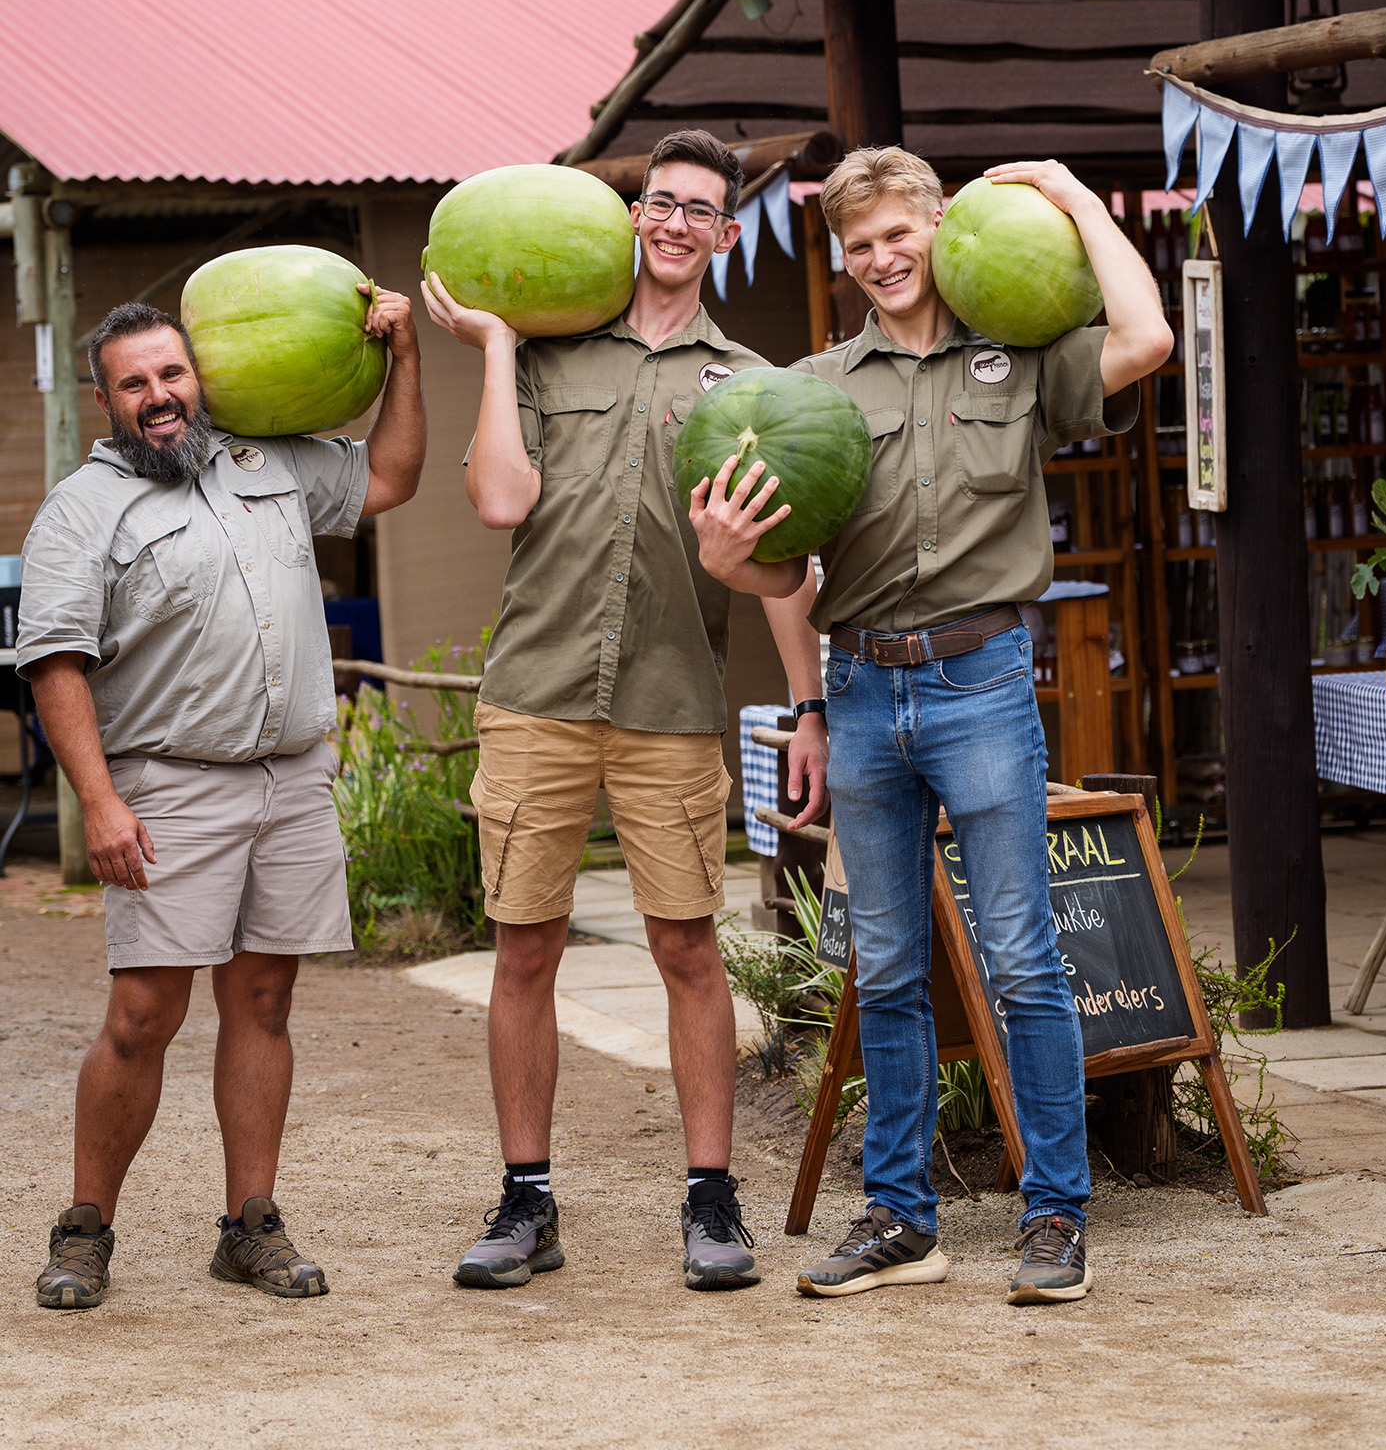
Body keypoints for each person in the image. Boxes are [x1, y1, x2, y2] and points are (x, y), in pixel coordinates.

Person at [693, 148, 1172, 1307]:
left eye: (900, 232)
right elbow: (783, 565)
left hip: (983, 681)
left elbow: (1148, 335)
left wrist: (1065, 193)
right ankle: (903, 1217)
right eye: (860, 244)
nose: (883, 258)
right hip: (859, 688)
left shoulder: (1022, 355)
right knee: (889, 963)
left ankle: (1054, 1213)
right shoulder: (814, 388)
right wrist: (728, 558)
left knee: (1023, 959)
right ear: (844, 258)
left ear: (940, 228)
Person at [422, 131, 819, 1293]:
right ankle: (525, 1199)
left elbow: (788, 569)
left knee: (688, 948)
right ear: (633, 214)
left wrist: (810, 707)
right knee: (525, 948)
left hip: (672, 701)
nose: (676, 222)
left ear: (729, 234)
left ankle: (711, 1201)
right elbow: (499, 496)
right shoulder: (546, 359)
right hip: (536, 694)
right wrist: (496, 345)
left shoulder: (748, 383)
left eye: (701, 208)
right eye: (659, 201)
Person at [21, 285, 425, 1311]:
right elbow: (55, 662)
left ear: (197, 375)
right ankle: (84, 1228)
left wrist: (407, 358)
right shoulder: (83, 507)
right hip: (168, 782)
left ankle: (251, 1225)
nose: (159, 395)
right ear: (103, 397)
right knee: (143, 1012)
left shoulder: (268, 460)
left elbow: (390, 474)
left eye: (171, 372)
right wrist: (102, 804)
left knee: (263, 998)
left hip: (291, 780)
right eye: (135, 382)